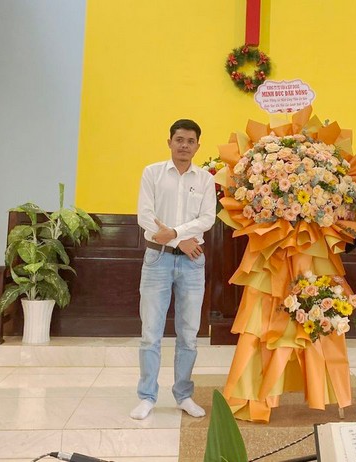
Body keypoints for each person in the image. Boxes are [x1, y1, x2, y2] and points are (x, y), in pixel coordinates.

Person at [130, 119, 216, 420]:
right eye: (179, 139)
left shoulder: (205, 180)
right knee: (150, 333)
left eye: (190, 141)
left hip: (192, 262)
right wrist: (180, 241)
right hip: (158, 258)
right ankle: (147, 397)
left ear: (197, 146)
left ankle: (184, 395)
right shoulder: (152, 173)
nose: (184, 145)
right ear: (169, 142)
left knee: (189, 334)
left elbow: (207, 219)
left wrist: (176, 234)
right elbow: (145, 216)